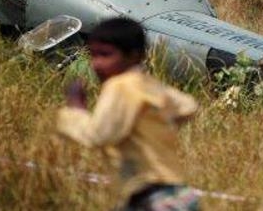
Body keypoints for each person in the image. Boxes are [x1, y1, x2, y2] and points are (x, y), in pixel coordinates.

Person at [57, 17, 200, 211]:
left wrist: (75, 109)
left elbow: (99, 135)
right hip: (177, 194)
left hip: (151, 197)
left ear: (134, 56)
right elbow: (188, 106)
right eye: (93, 55)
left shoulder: (120, 86)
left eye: (106, 55)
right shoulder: (147, 83)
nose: (96, 64)